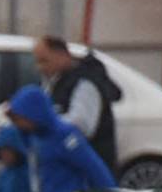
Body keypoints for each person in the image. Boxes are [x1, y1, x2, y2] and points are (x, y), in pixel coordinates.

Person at [4, 85, 117, 192]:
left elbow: (94, 168)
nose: (18, 124)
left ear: (34, 114)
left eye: (20, 119)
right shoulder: (33, 136)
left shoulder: (65, 136)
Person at [33, 34, 123, 176]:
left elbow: (81, 125)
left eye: (44, 61)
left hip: (88, 169)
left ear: (62, 55)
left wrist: (46, 123)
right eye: (37, 62)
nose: (39, 67)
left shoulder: (85, 82)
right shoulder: (56, 81)